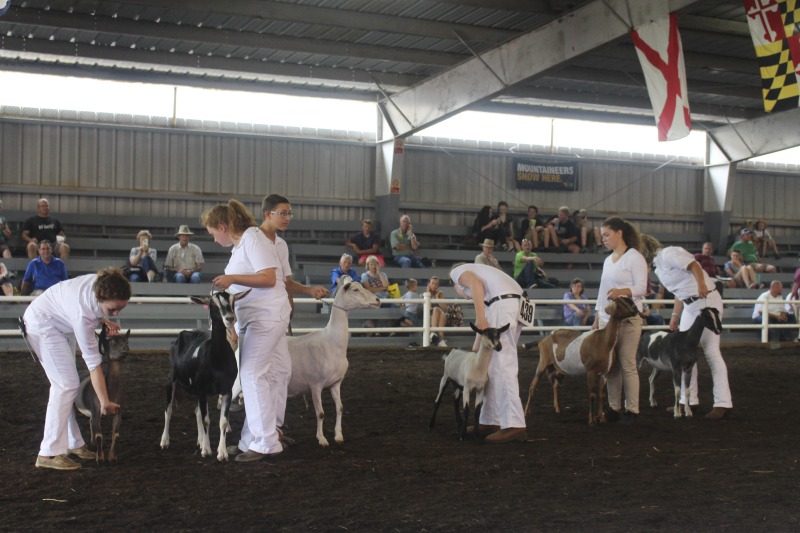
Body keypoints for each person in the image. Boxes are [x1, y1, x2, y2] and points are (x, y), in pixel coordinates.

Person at [202, 199, 289, 463]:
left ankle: (266, 443)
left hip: (266, 317)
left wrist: (232, 279)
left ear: (222, 226)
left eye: (213, 234)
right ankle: (252, 439)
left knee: (252, 376)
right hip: (257, 319)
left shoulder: (252, 238)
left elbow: (269, 278)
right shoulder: (243, 245)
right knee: (264, 376)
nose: (215, 240)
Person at [23, 267, 130, 470]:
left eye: (120, 309)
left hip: (61, 323)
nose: (116, 314)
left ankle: (73, 443)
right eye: (112, 310)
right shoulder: (84, 314)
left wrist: (104, 318)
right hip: (43, 324)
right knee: (66, 385)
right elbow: (93, 364)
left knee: (66, 384)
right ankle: (49, 453)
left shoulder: (102, 283)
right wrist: (105, 401)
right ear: (101, 298)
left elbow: (95, 310)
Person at [257, 194, 329, 440]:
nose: (288, 218)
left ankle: (274, 427)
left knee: (284, 371)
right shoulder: (253, 240)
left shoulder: (281, 245)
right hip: (260, 317)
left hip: (277, 317)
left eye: (290, 213)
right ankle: (260, 431)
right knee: (261, 375)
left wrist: (307, 290)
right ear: (268, 214)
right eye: (283, 213)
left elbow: (285, 282)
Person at [639, 234, 733, 420]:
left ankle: (723, 403)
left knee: (711, 352)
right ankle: (688, 400)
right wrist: (675, 314)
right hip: (690, 306)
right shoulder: (658, 268)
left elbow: (694, 266)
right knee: (684, 352)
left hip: (706, 300)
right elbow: (679, 291)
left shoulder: (668, 253)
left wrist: (700, 285)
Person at [449, 262, 527, 443]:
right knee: (491, 365)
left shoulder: (456, 273)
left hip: (504, 305)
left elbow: (476, 285)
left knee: (502, 365)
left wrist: (480, 316)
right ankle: (490, 420)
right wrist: (476, 348)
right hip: (515, 303)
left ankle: (513, 424)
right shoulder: (487, 275)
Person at [594, 217, 647, 423]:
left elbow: (642, 288)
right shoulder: (608, 260)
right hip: (609, 319)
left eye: (606, 235)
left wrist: (621, 291)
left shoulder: (634, 257)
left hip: (629, 318)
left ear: (619, 233)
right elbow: (601, 292)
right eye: (602, 235)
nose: (603, 239)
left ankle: (632, 409)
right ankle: (614, 407)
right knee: (611, 366)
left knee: (627, 363)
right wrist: (598, 315)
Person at [425, 276, 448, 347]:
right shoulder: (425, 294)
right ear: (429, 284)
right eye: (432, 283)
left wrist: (437, 298)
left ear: (438, 286)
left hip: (440, 317)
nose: (434, 286)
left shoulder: (440, 294)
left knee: (442, 314)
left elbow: (445, 310)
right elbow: (427, 309)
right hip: (429, 317)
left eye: (436, 284)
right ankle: (441, 340)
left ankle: (433, 334)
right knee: (436, 309)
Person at [400, 278, 422, 346]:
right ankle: (418, 342)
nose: (417, 287)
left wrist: (403, 306)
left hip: (406, 312)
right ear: (412, 287)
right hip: (412, 314)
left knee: (412, 329)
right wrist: (422, 296)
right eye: (416, 285)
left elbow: (401, 300)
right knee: (416, 328)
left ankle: (413, 342)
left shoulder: (406, 294)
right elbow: (421, 300)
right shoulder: (414, 294)